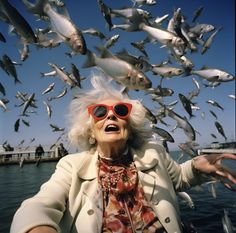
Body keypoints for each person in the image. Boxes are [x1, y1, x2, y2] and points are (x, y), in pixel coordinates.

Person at [11, 74, 236, 233]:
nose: (111, 116)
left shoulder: (154, 152)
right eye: (99, 112)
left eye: (120, 111)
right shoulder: (71, 165)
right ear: (90, 129)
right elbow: (38, 205)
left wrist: (196, 166)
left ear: (130, 127)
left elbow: (179, 177)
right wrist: (38, 228)